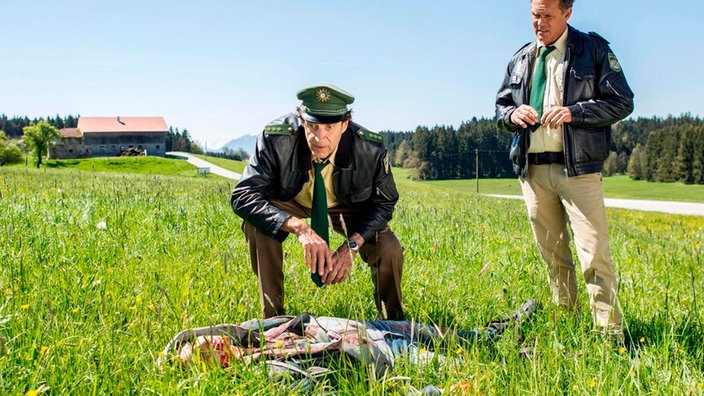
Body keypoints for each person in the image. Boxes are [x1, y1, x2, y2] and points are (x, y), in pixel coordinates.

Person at [495, 0, 634, 337]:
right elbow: (500, 108)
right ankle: (568, 324)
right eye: (534, 15)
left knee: (593, 253)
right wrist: (512, 116)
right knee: (553, 253)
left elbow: (622, 101)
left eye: (547, 16)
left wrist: (576, 112)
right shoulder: (521, 58)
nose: (539, 23)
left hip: (579, 169)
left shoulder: (594, 49)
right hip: (533, 172)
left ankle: (608, 334)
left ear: (567, 12)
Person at [231, 84, 404, 320]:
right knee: (258, 225)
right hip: (291, 200)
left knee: (389, 246)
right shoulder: (275, 138)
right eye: (312, 126)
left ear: (345, 125)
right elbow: (243, 195)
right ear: (301, 120)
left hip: (346, 205)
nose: (319, 137)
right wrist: (298, 227)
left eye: (330, 127)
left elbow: (385, 203)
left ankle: (394, 322)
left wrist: (351, 246)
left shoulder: (370, 149)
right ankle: (272, 320)